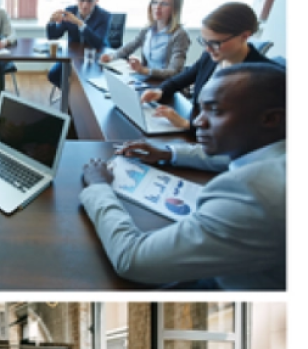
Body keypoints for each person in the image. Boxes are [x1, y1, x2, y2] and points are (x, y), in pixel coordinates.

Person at [80, 63, 286, 290]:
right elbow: (234, 154)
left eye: (215, 111)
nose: (198, 122)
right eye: (201, 110)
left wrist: (99, 187)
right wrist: (168, 153)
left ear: (271, 119)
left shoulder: (252, 194)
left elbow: (133, 260)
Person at [139, 2, 272, 131]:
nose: (208, 49)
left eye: (215, 43)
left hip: (213, 138)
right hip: (198, 122)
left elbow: (239, 129)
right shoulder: (212, 56)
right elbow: (186, 76)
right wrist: (161, 91)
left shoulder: (263, 77)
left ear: (244, 36)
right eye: (204, 41)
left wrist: (186, 124)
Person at [100, 0, 190, 79]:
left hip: (164, 84)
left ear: (175, 8)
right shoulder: (148, 29)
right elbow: (130, 46)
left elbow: (174, 72)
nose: (157, 7)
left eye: (164, 4)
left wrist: (143, 70)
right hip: (146, 79)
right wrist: (112, 57)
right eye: (155, 2)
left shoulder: (180, 35)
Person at [46, 0, 110, 89]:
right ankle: (70, 96)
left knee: (89, 82)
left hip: (95, 56)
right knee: (53, 75)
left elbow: (98, 43)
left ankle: (77, 95)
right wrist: (51, 22)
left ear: (96, 1)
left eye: (90, 1)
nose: (85, 5)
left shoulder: (104, 16)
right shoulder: (70, 11)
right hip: (73, 55)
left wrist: (79, 23)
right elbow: (53, 36)